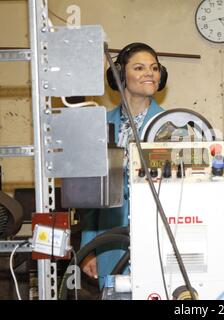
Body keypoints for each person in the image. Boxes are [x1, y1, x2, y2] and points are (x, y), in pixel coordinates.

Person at [80, 42, 168, 288]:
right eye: (139, 67)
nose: (149, 73)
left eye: (154, 68)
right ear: (119, 75)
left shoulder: (173, 126)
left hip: (159, 240)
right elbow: (90, 197)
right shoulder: (99, 126)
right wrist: (89, 247)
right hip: (110, 241)